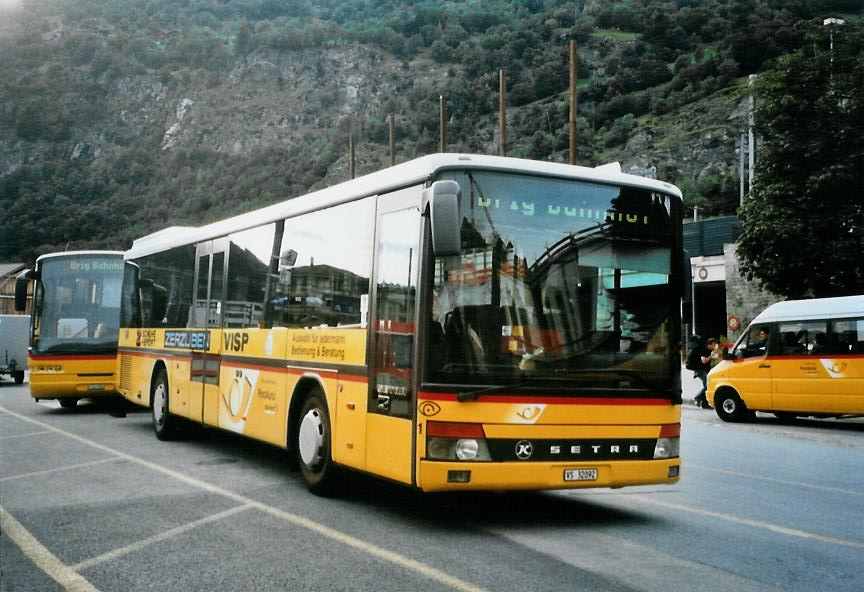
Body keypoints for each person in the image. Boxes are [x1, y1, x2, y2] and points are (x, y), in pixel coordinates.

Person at [686, 335, 712, 409]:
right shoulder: (699, 349)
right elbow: (703, 360)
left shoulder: (693, 348)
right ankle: (698, 397)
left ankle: (705, 403)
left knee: (706, 386)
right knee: (708, 385)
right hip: (700, 370)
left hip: (699, 369)